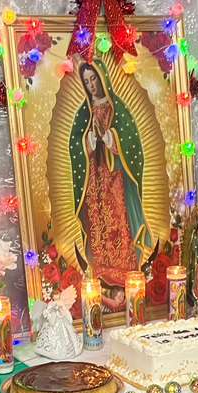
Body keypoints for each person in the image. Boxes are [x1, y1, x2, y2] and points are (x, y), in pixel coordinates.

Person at [70, 61, 154, 311]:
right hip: (95, 177)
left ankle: (125, 274)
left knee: (117, 220)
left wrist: (110, 139)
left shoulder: (117, 108)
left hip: (115, 174)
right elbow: (75, 146)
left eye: (93, 79)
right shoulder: (84, 113)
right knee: (98, 223)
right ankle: (102, 276)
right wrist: (88, 141)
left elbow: (131, 142)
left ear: (102, 78)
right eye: (87, 81)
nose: (91, 85)